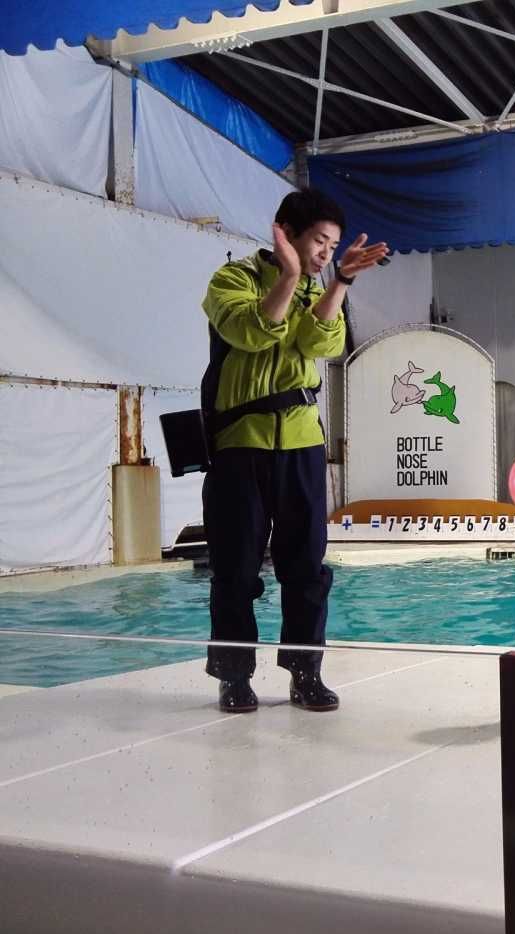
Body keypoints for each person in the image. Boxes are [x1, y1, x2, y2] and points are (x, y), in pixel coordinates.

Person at [201, 188, 388, 713]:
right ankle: (234, 676)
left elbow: (322, 345)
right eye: (319, 241)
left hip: (303, 443)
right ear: (285, 231)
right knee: (235, 567)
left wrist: (341, 283)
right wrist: (287, 276)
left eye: (333, 244)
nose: (326, 252)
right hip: (241, 445)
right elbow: (251, 332)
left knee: (307, 566)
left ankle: (305, 672)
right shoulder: (232, 280)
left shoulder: (317, 291)